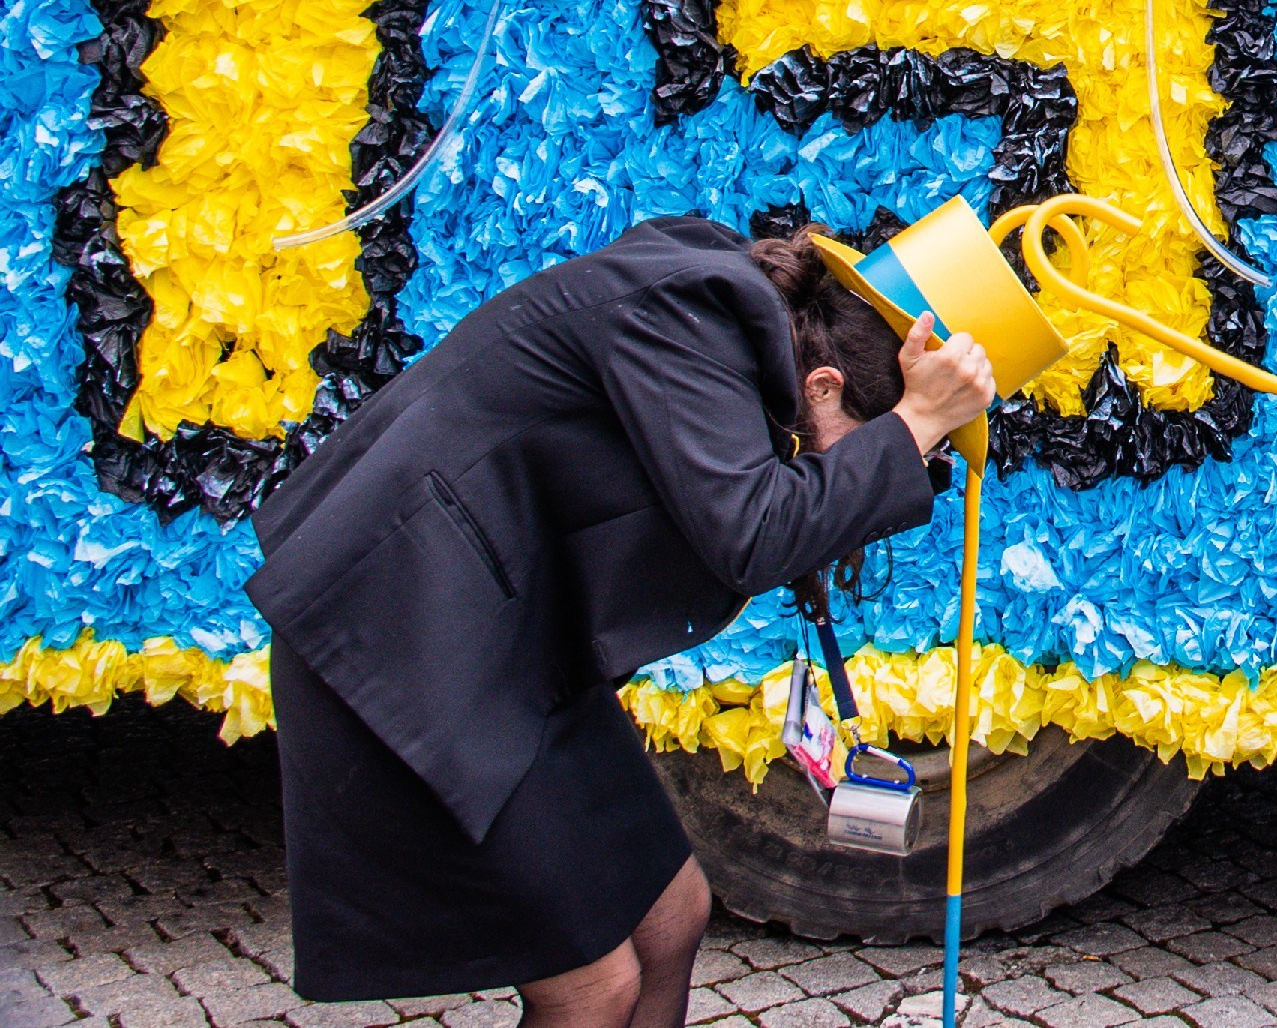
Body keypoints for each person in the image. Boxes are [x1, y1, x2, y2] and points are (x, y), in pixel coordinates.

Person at [245, 215, 996, 1026]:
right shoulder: (688, 312)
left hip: (514, 642)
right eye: (878, 442)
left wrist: (905, 426)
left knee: (672, 917)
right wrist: (916, 422)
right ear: (821, 387)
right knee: (592, 988)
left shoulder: (726, 330)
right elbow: (752, 534)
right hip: (405, 637)